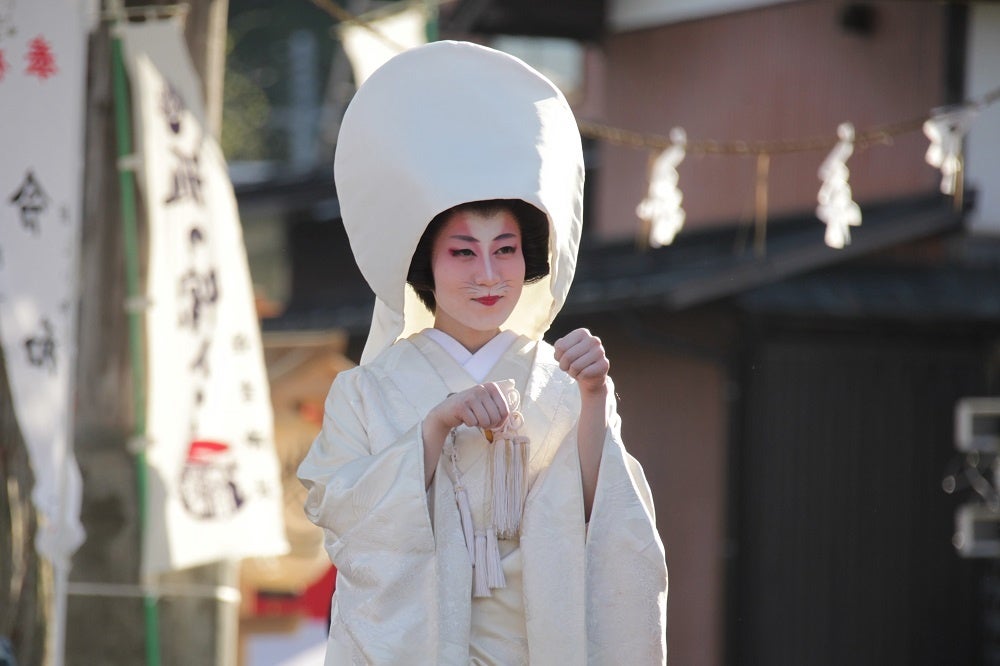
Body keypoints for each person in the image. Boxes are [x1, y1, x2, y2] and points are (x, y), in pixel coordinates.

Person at [298, 41, 668, 665]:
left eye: (507, 249)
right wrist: (437, 425)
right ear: (425, 265)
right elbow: (340, 513)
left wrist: (595, 397)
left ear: (530, 262)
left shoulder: (558, 383)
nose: (489, 274)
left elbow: (607, 526)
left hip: (534, 644)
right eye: (463, 251)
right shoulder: (365, 391)